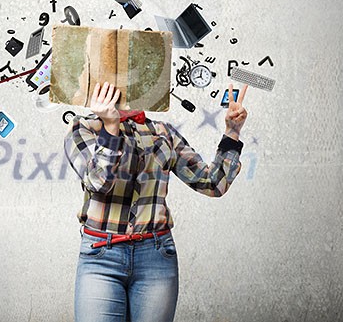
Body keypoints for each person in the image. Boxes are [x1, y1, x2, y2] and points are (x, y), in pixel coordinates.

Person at [64, 81, 249, 322]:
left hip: (156, 258)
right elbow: (99, 183)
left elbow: (213, 183)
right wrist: (110, 126)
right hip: (101, 257)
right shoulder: (84, 128)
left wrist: (232, 132)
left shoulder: (164, 133)